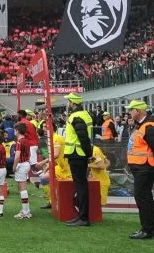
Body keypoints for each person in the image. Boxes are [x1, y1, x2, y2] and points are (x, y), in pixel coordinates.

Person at [125, 100, 154, 240]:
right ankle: (150, 229)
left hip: (146, 167)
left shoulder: (148, 126)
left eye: (131, 110)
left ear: (138, 111)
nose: (129, 113)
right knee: (145, 197)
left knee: (142, 197)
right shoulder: (143, 125)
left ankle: (147, 230)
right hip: (143, 167)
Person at [62, 92, 93, 227]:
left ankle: (83, 217)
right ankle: (81, 216)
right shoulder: (83, 115)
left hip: (77, 154)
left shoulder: (76, 116)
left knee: (81, 186)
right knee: (80, 186)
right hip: (79, 154)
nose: (67, 104)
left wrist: (88, 154)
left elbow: (83, 138)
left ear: (72, 103)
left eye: (68, 101)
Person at [13, 122, 34, 219]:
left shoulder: (19, 142)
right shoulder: (26, 141)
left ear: (17, 131)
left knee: (22, 189)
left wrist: (14, 167)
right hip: (26, 163)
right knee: (22, 188)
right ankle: (26, 210)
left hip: (21, 164)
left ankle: (25, 212)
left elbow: (17, 157)